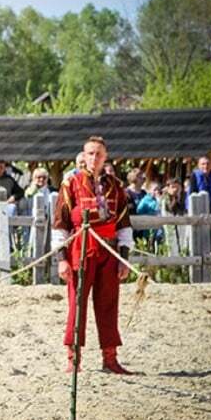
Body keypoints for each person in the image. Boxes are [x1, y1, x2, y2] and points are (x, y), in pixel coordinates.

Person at [52, 136, 134, 375]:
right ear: (83, 156)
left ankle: (110, 358)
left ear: (105, 157)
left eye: (98, 154)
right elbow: (60, 224)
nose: (94, 158)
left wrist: (123, 257)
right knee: (77, 304)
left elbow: (123, 224)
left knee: (108, 303)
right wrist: (62, 259)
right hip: (80, 248)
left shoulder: (116, 186)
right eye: (90, 153)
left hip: (108, 251)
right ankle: (73, 358)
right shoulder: (71, 184)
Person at [187, 156, 211, 247]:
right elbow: (192, 193)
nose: (205, 166)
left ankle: (209, 255)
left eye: (207, 164)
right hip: (198, 211)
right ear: (199, 165)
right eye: (203, 164)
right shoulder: (194, 176)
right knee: (198, 238)